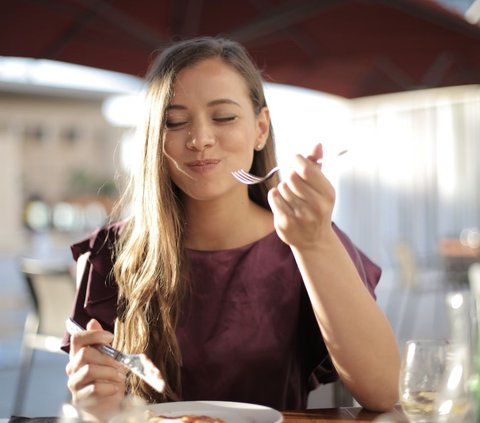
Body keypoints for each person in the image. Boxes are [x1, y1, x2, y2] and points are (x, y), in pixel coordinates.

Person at [62, 36, 400, 420]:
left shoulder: (307, 239)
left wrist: (315, 242)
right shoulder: (111, 252)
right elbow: (100, 406)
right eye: (175, 121)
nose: (200, 139)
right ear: (155, 138)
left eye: (223, 117)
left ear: (260, 128)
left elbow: (383, 391)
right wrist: (94, 402)